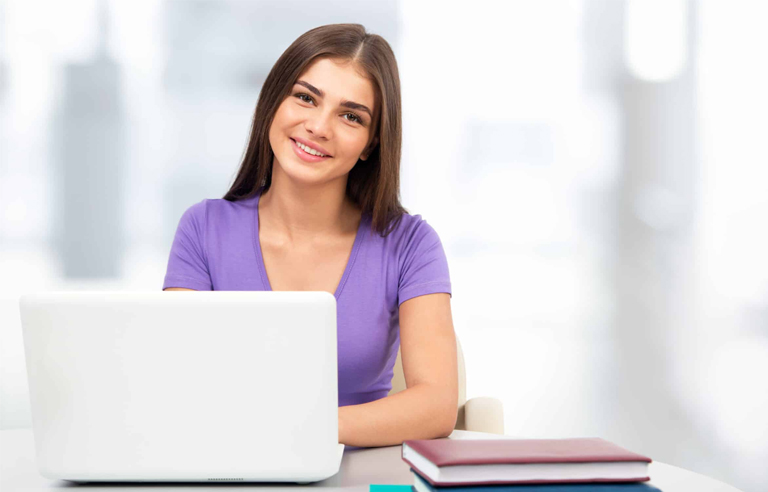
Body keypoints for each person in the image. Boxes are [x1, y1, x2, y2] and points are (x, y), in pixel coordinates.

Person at [163, 23, 457, 447]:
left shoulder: (409, 244)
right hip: (229, 468)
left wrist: (299, 432)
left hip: (357, 474)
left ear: (371, 143)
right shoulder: (203, 229)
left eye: (351, 116)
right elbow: (177, 381)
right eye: (305, 97)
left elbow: (436, 405)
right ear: (273, 103)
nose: (319, 126)